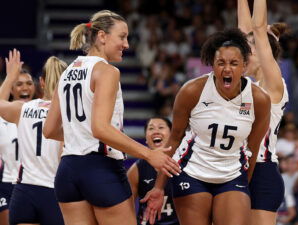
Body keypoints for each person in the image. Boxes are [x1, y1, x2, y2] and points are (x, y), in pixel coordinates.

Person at [43, 10, 181, 225]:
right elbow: (101, 129)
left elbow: (49, 130)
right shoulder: (107, 71)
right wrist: (148, 154)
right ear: (102, 36)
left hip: (68, 171)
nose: (126, 44)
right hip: (99, 169)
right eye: (122, 36)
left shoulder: (67, 72)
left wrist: (80, 131)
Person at [141, 28, 271, 225]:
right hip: (192, 172)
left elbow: (252, 149)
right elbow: (174, 139)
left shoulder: (259, 100)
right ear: (212, 65)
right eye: (221, 63)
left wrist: (244, 184)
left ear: (244, 66)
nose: (227, 69)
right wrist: (159, 187)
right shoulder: (192, 91)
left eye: (234, 63)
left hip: (232, 174)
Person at [237, 0, 289, 224]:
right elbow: (245, 31)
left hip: (262, 170)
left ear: (262, 50)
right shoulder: (252, 85)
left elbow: (257, 29)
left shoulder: (273, 83)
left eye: (247, 50)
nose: (242, 55)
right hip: (237, 168)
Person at [0, 53, 66, 224]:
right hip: (53, 191)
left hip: (24, 192)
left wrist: (10, 77)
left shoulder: (24, 108)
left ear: (41, 83)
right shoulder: (68, 113)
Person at [0, 49, 35, 225]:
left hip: (36, 183)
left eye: (29, 83)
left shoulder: (42, 112)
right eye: (19, 84)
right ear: (12, 90)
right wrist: (9, 77)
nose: (25, 88)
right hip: (7, 184)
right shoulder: (2, 118)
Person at [127, 117, 179, 225]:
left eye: (161, 127)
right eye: (151, 128)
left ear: (171, 136)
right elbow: (125, 207)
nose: (156, 131)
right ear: (146, 139)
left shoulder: (185, 165)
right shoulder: (136, 169)